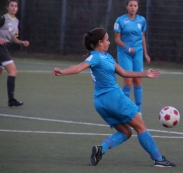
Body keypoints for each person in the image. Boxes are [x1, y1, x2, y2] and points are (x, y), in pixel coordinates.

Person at [53, 28, 175, 167]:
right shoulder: (96, 57)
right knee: (141, 126)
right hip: (114, 98)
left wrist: (145, 74)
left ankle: (101, 149)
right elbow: (79, 67)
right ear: (100, 42)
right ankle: (158, 159)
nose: (109, 42)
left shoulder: (107, 56)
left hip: (100, 103)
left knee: (126, 131)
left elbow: (123, 72)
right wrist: (63, 71)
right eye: (107, 40)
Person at [114, 0, 150, 117]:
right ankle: (124, 108)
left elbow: (143, 37)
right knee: (128, 81)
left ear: (137, 7)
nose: (133, 7)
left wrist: (145, 53)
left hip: (138, 53)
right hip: (125, 53)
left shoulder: (142, 20)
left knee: (138, 80)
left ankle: (138, 110)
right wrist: (127, 47)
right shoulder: (120, 20)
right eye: (130, 5)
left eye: (135, 5)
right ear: (127, 7)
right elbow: (117, 39)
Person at [0, 0, 30, 107]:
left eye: (15, 6)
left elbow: (13, 38)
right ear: (7, 7)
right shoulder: (3, 18)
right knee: (13, 71)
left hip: (5, 47)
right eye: (11, 6)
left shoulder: (16, 21)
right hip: (0, 48)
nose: (13, 8)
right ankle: (11, 100)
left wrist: (22, 42)